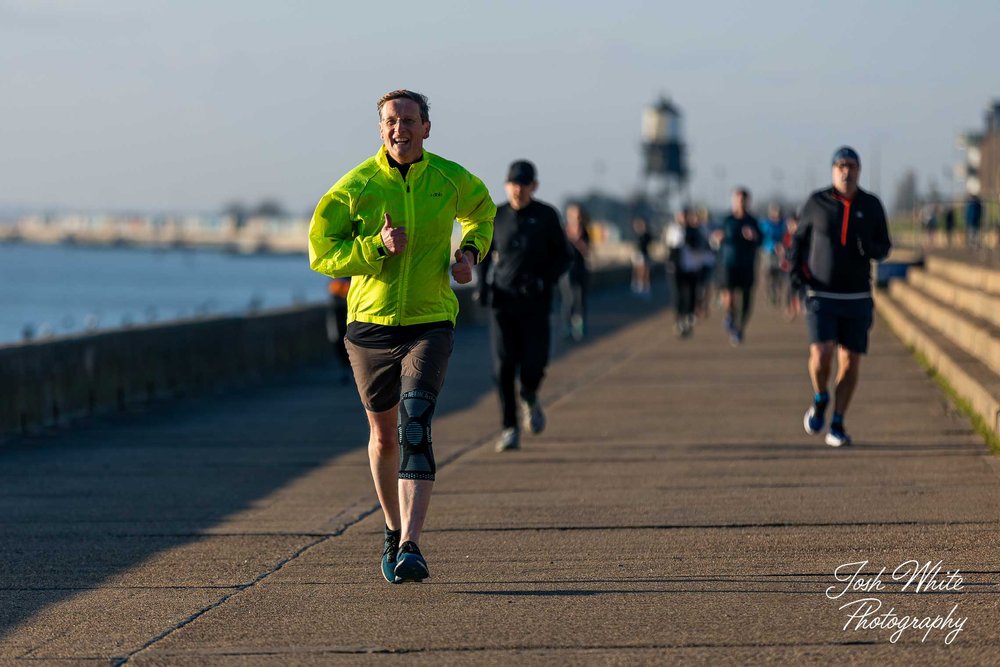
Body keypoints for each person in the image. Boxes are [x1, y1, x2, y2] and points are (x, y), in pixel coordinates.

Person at [308, 90, 495, 583]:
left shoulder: (450, 178)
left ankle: (412, 543)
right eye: (391, 121)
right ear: (380, 129)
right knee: (383, 434)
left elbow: (482, 211)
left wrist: (469, 254)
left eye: (409, 120)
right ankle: (392, 530)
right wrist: (375, 247)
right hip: (369, 326)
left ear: (426, 128)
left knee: (415, 427)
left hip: (430, 319)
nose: (400, 129)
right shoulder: (356, 186)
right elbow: (321, 251)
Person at [790, 146, 891, 447]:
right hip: (821, 293)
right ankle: (820, 397)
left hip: (857, 296)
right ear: (833, 170)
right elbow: (798, 243)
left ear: (859, 171)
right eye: (841, 166)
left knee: (850, 362)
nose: (847, 171)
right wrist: (796, 281)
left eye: (852, 166)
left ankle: (838, 423)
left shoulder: (871, 205)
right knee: (821, 355)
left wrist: (869, 249)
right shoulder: (816, 203)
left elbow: (884, 246)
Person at [478, 160, 570, 452]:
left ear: (534, 186)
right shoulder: (496, 216)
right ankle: (509, 429)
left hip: (536, 303)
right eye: (513, 184)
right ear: (507, 186)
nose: (518, 190)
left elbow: (564, 257)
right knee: (503, 368)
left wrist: (545, 280)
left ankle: (529, 394)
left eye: (524, 184)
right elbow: (482, 254)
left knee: (534, 364)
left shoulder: (546, 216)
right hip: (503, 303)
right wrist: (483, 288)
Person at [714, 188, 761, 345]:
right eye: (737, 199)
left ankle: (740, 327)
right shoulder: (726, 220)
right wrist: (717, 238)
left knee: (746, 299)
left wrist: (754, 236)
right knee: (730, 294)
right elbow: (715, 237)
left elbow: (761, 240)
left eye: (743, 200)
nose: (740, 203)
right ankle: (730, 315)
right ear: (733, 201)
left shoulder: (752, 221)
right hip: (729, 263)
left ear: (748, 202)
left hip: (747, 264)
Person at [665, 207, 711, 337]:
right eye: (682, 217)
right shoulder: (673, 229)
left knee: (691, 294)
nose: (684, 219)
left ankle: (688, 317)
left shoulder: (696, 230)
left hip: (692, 267)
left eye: (686, 217)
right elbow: (672, 244)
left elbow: (701, 246)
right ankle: (679, 319)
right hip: (676, 267)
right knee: (678, 294)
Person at [560, 202, 591, 342]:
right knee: (569, 300)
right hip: (567, 270)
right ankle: (566, 328)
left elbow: (587, 250)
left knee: (580, 299)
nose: (576, 218)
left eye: (578, 215)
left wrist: (577, 240)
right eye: (573, 215)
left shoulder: (584, 231)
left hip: (581, 268)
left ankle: (579, 328)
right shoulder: (563, 231)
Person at [325, 277, 353, 384]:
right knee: (337, 340)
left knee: (349, 341)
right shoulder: (337, 278)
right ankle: (344, 369)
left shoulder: (353, 275)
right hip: (337, 310)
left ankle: (347, 369)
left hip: (348, 310)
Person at [761, 203, 787, 306]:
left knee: (779, 275)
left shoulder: (783, 224)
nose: (777, 214)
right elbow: (763, 237)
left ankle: (777, 294)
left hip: (780, 253)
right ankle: (769, 293)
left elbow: (785, 236)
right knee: (768, 274)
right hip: (768, 252)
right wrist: (773, 245)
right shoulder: (765, 224)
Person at [630, 216, 654, 297]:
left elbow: (650, 242)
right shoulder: (637, 234)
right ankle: (638, 285)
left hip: (645, 254)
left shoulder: (647, 234)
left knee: (645, 270)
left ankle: (645, 286)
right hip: (639, 254)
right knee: (638, 269)